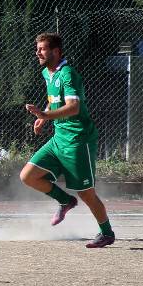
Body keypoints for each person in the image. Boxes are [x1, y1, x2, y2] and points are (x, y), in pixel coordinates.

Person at [20, 33, 115, 248]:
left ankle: (107, 233)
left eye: (42, 49)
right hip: (58, 138)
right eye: (38, 48)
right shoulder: (47, 72)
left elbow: (74, 107)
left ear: (56, 51)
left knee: (86, 193)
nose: (37, 53)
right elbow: (55, 101)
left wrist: (45, 116)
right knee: (28, 176)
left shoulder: (68, 74)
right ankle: (65, 200)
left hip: (77, 140)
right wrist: (44, 116)